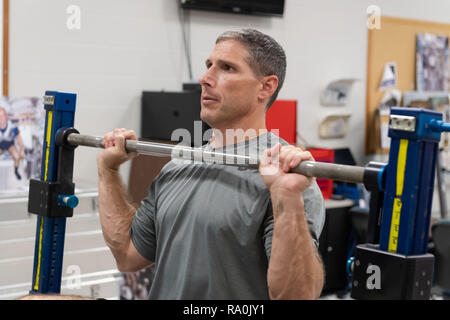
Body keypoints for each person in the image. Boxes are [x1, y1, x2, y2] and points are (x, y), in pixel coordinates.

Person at [97, 29, 325, 299]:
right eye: (208, 66)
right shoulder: (177, 168)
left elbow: (295, 296)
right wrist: (108, 171)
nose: (205, 79)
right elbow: (127, 255)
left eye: (227, 68)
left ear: (266, 86)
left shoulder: (287, 177)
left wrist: (287, 196)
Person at [0, 107, 25, 180]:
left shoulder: (13, 126)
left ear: (6, 116)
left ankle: (16, 171)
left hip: (9, 144)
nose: (1, 118)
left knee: (17, 156)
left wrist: (21, 149)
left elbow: (19, 138)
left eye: (2, 116)